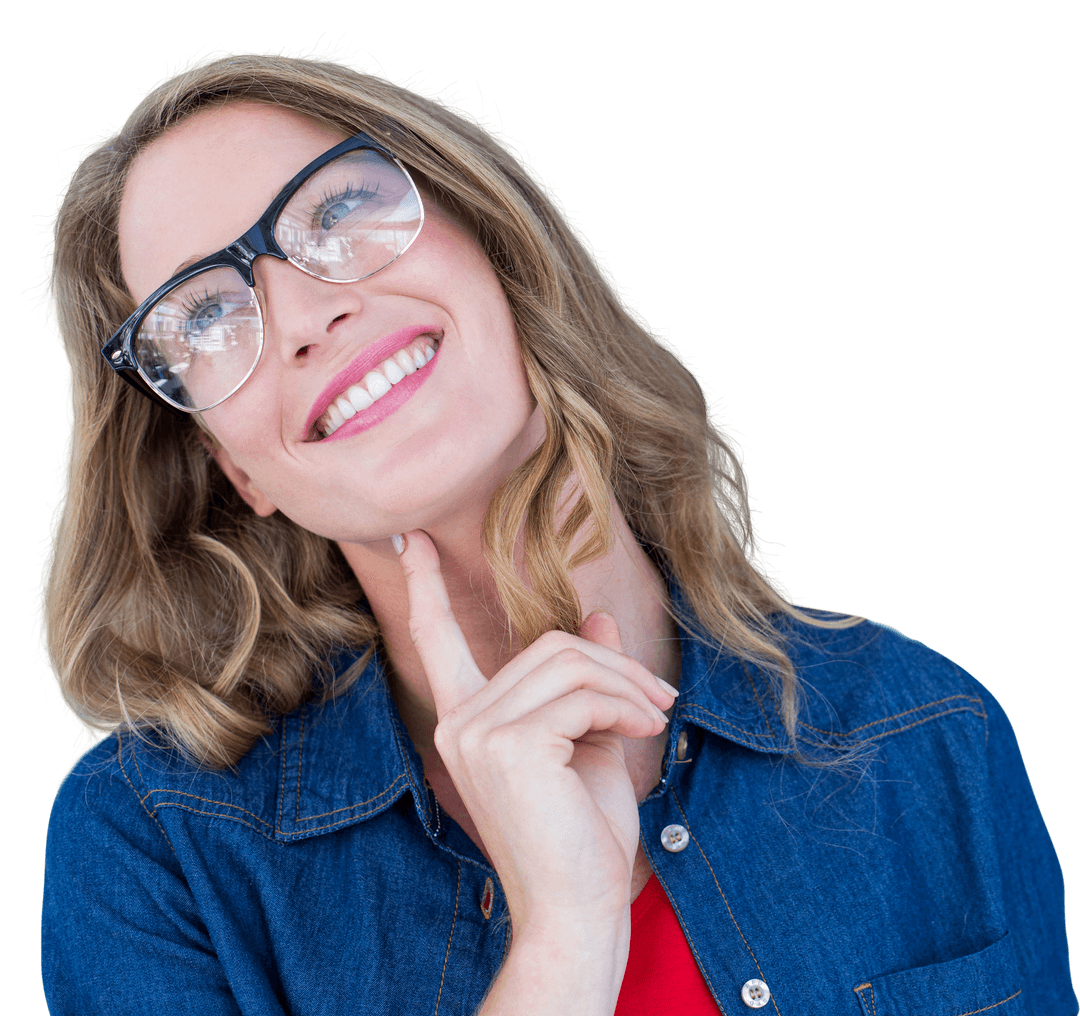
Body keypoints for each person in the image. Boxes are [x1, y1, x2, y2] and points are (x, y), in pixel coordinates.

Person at [38, 49, 1073, 1015]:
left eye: (339, 208)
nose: (306, 313)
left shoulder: (927, 735)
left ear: (490, 241)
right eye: (206, 316)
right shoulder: (153, 844)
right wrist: (562, 944)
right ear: (235, 466)